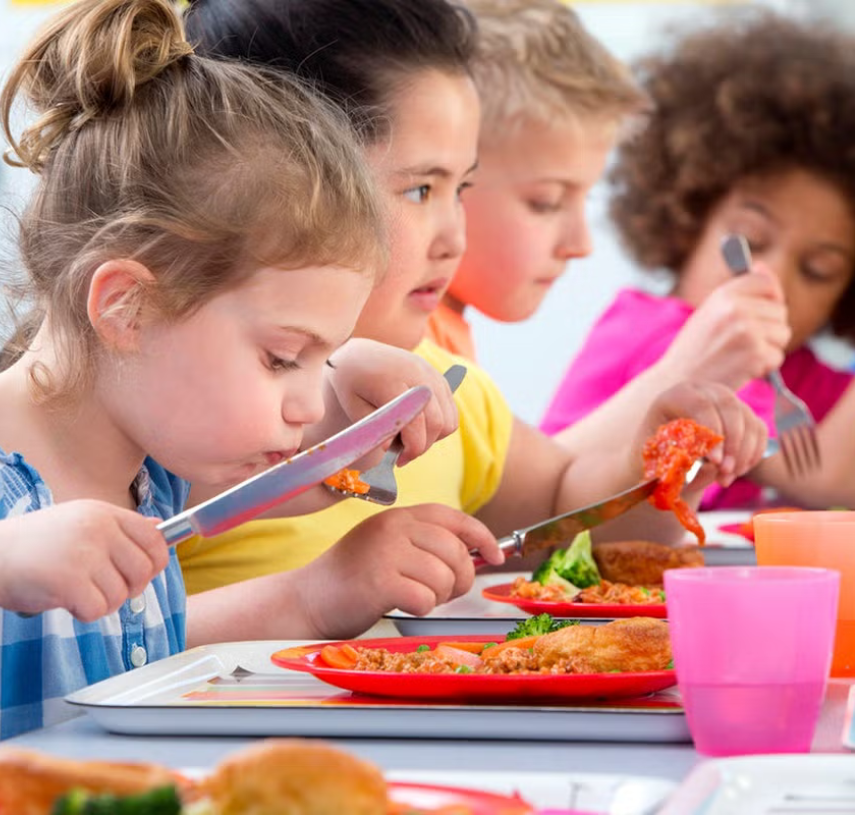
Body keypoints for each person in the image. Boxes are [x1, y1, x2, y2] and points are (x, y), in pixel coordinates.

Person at [0, 0, 505, 738]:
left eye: (318, 356)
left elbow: (295, 472)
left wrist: (349, 395)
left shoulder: (151, 476)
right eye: (280, 357)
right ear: (128, 310)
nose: (302, 403)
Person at [179, 0, 768, 596]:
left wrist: (664, 465)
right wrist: (316, 595)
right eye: (419, 190)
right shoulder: (192, 410)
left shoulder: (447, 388)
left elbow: (569, 525)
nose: (455, 236)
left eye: (460, 189)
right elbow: (111, 648)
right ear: (282, 185)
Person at [540, 11, 855, 510]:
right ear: (686, 221)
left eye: (818, 270)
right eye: (750, 239)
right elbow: (825, 475)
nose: (772, 277)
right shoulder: (661, 331)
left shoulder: (797, 374)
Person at [425, 0, 647, 361]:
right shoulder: (406, 348)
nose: (581, 244)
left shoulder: (441, 334)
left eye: (585, 198)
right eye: (546, 202)